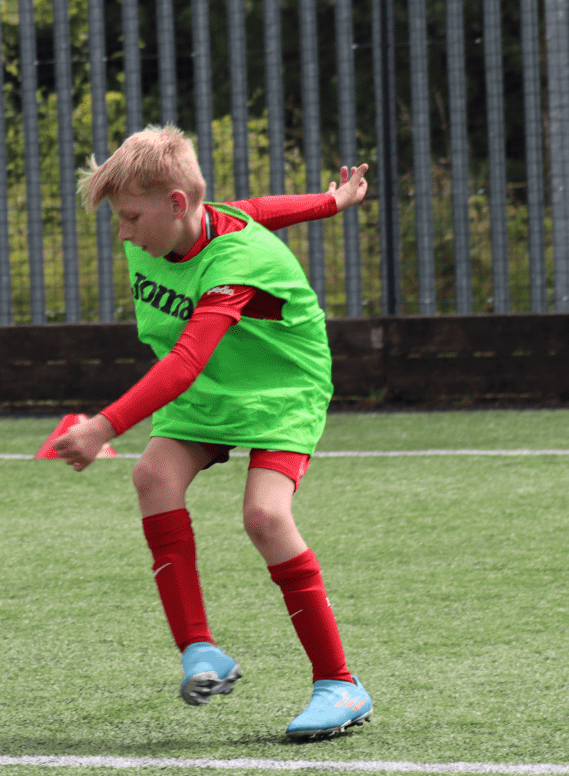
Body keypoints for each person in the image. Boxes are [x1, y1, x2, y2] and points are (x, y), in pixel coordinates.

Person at [54, 124, 371, 741]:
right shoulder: (163, 230)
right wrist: (331, 201)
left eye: (130, 218)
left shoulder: (236, 262)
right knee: (153, 476)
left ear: (176, 204)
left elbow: (186, 360)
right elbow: (251, 210)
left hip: (281, 388)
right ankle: (200, 650)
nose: (122, 232)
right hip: (209, 389)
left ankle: (339, 683)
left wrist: (103, 426)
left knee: (265, 517)